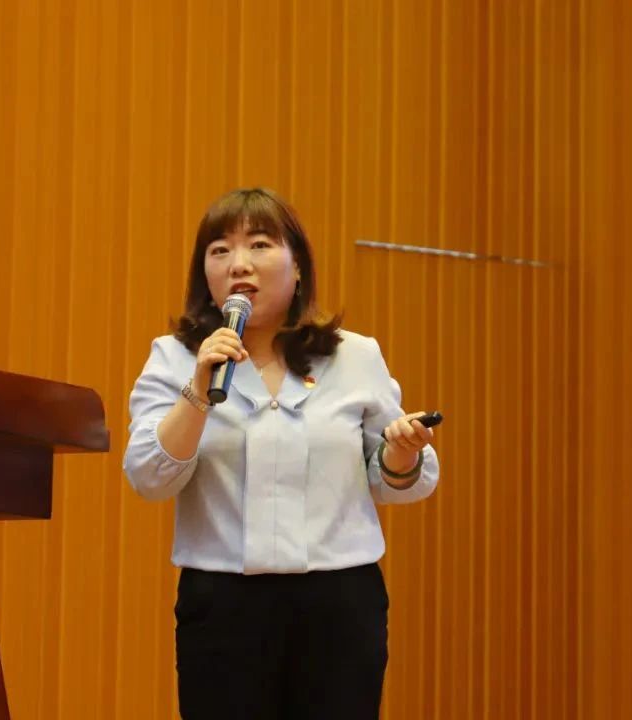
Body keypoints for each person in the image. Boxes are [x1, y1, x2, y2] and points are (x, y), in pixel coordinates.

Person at [123, 187, 440, 720]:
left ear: (297, 268)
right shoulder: (177, 358)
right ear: (205, 275)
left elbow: (390, 476)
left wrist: (402, 453)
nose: (238, 263)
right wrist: (198, 390)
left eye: (260, 244)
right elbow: (149, 477)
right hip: (223, 606)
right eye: (220, 250)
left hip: (340, 606)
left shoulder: (354, 356)